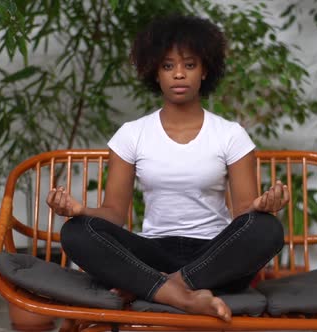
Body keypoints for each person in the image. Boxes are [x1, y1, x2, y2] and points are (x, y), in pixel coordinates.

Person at [46, 15, 289, 322]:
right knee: (77, 232)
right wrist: (80, 211)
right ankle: (186, 297)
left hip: (215, 256)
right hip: (151, 253)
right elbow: (113, 213)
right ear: (155, 73)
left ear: (204, 72)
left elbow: (244, 213)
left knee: (267, 228)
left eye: (189, 65)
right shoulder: (132, 134)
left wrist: (260, 206)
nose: (178, 74)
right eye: (167, 65)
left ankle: (157, 286)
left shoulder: (230, 134)